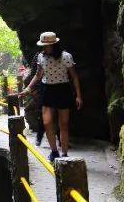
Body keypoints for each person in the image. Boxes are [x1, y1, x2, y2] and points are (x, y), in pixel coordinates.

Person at [18, 31, 82, 161]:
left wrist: (78, 96)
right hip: (47, 90)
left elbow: (74, 76)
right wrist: (28, 88)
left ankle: (64, 154)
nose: (45, 47)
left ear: (54, 44)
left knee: (63, 124)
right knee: (47, 122)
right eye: (44, 45)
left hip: (63, 89)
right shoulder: (41, 57)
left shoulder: (66, 56)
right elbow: (38, 75)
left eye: (47, 45)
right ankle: (54, 152)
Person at [18, 61, 46, 146]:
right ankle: (39, 136)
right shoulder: (41, 58)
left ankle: (40, 136)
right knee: (42, 116)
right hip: (39, 95)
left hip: (45, 92)